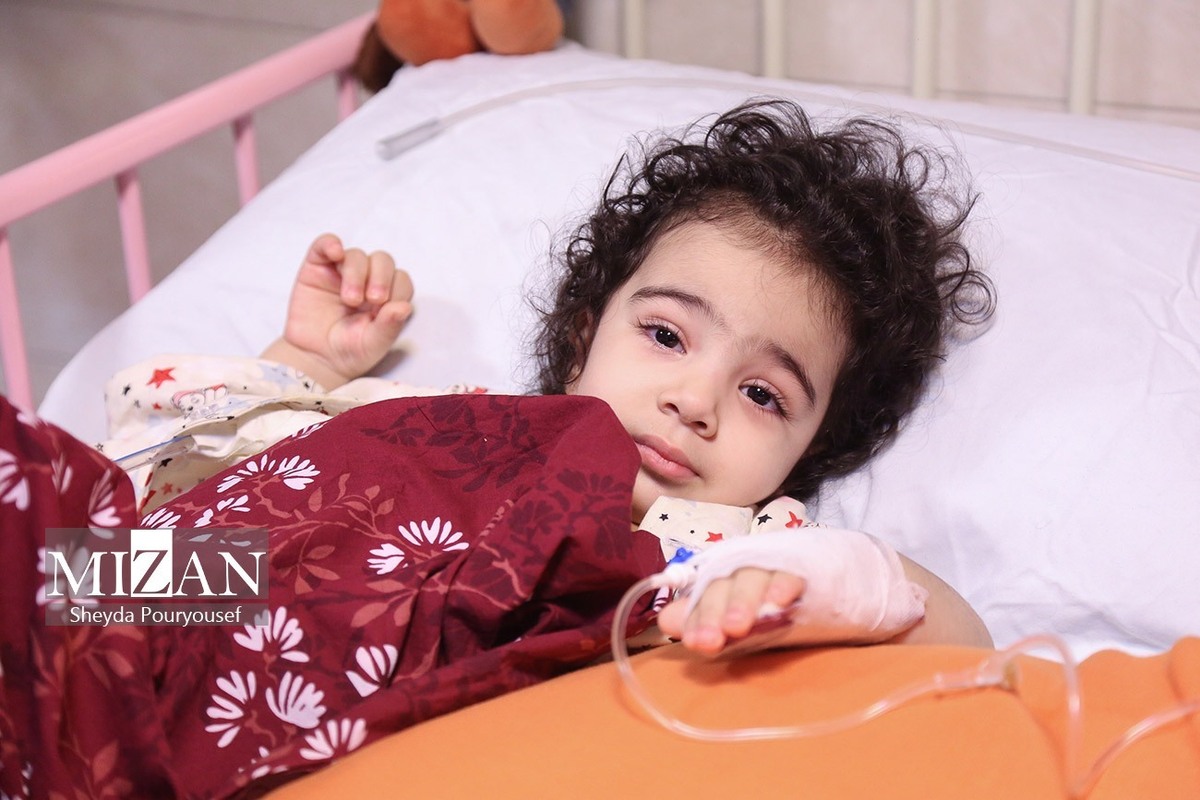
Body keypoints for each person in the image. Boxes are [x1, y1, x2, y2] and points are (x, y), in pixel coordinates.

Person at [260, 99, 995, 652]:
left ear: (811, 446)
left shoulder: (749, 552)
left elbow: (961, 637)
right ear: (582, 340)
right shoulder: (470, 424)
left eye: (762, 395)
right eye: (667, 336)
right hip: (259, 614)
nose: (695, 401)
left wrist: (815, 585)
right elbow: (259, 470)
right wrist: (311, 359)